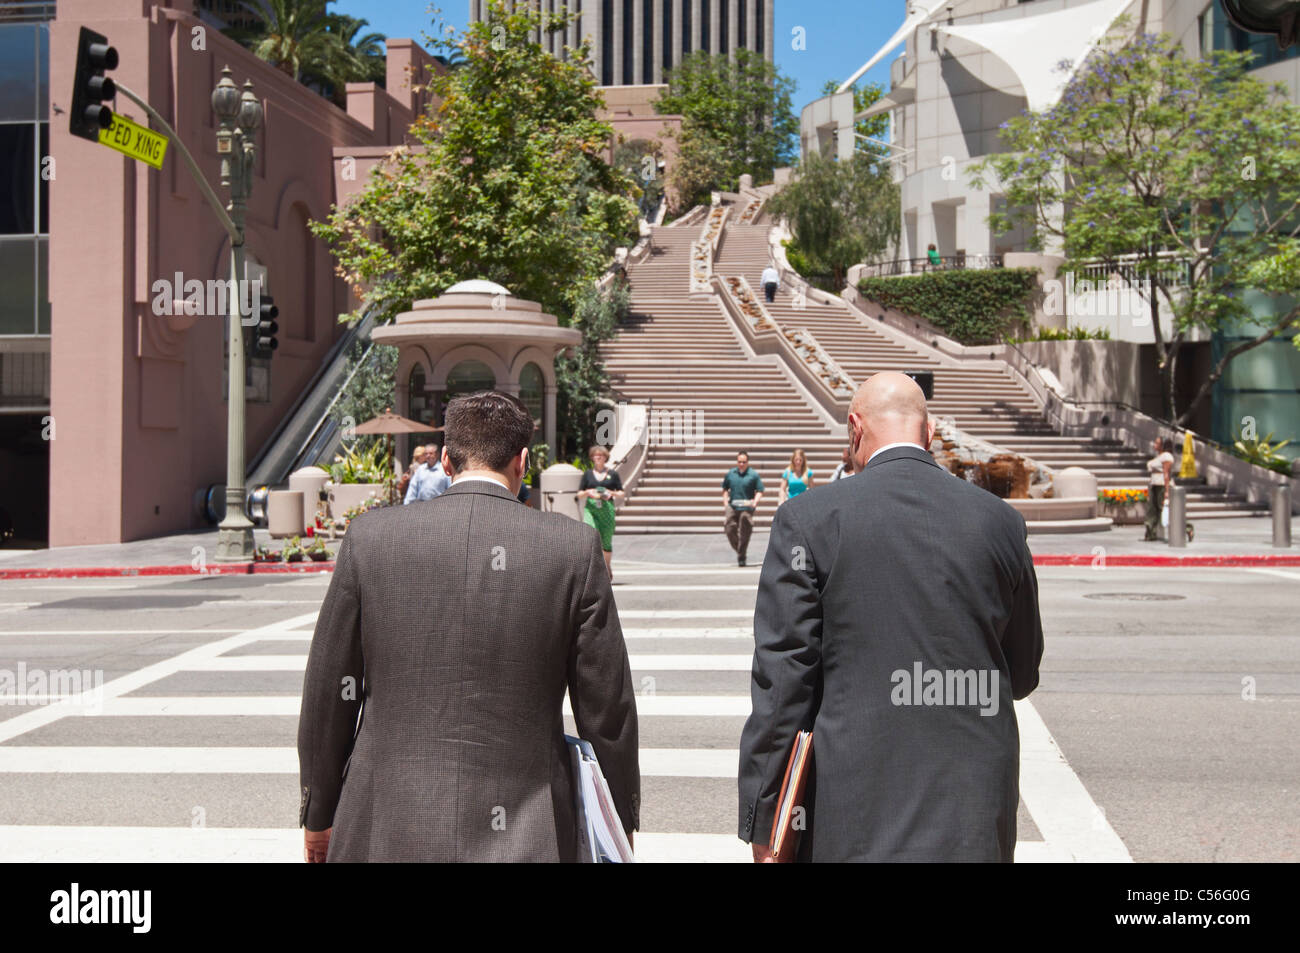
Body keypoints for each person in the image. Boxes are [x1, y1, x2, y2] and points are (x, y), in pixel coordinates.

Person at [299, 392, 640, 862]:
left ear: (445, 460)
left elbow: (329, 694)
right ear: (523, 462)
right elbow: (608, 709)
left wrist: (318, 813)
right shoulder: (573, 548)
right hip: (530, 831)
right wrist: (618, 822)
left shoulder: (371, 538)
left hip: (386, 827)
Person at [738, 372, 1044, 862]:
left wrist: (766, 819)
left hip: (854, 807)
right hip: (974, 804)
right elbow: (1022, 671)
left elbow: (783, 684)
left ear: (855, 429)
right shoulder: (1002, 521)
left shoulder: (807, 520)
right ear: (929, 431)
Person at [578, 445, 625, 579]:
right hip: (591, 508)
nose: (598, 457)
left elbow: (621, 493)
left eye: (601, 455)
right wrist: (588, 492)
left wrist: (610, 492)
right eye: (595, 455)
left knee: (606, 540)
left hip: (607, 509)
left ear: (605, 458)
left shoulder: (613, 474)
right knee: (592, 534)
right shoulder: (587, 474)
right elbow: (579, 493)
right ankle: (594, 569)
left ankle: (607, 566)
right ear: (592, 457)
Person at [722, 451, 764, 567]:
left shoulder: (753, 475)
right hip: (733, 505)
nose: (741, 464)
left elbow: (760, 490)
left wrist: (755, 502)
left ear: (747, 462)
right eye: (739, 462)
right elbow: (725, 489)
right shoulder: (731, 474)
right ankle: (741, 552)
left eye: (744, 462)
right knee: (729, 526)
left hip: (747, 506)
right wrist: (726, 503)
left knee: (745, 522)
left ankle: (741, 555)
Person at [1145, 435, 1176, 542]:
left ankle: (1186, 527)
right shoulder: (1159, 456)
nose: (1155, 445)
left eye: (1157, 443)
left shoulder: (1167, 456)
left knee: (1164, 509)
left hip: (1162, 485)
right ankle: (1150, 533)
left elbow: (1166, 474)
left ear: (1163, 445)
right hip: (1155, 484)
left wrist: (1167, 491)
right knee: (1152, 510)